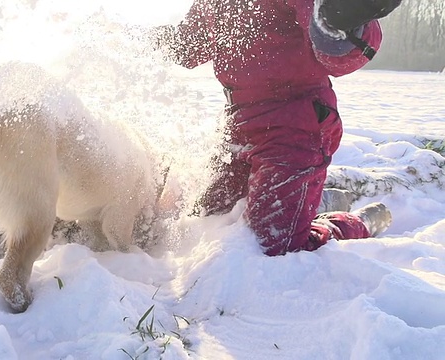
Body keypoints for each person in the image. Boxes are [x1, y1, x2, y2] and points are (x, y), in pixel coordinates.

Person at [153, 0, 401, 256]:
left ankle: (357, 223)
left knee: (272, 247)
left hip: (295, 125)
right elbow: (191, 43)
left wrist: (341, 27)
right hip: (238, 125)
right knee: (211, 220)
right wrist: (133, 40)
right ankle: (309, 201)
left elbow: (335, 55)